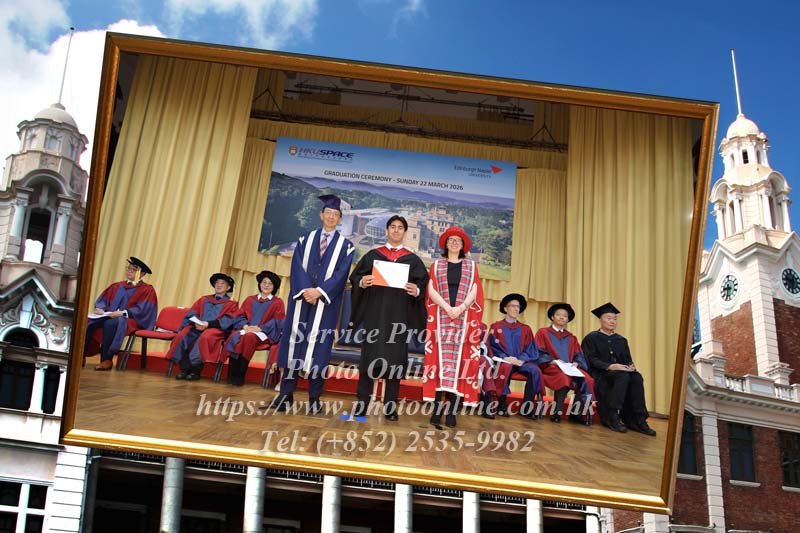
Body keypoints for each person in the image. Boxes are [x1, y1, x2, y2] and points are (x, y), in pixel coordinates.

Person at [270, 194, 355, 414]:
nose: (331, 217)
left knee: (320, 348)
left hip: (325, 304)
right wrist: (306, 290)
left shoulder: (346, 247)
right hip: (301, 300)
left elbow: (341, 274)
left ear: (340, 219)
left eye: (335, 214)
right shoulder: (304, 239)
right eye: (328, 213)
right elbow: (297, 266)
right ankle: (285, 394)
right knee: (293, 343)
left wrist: (319, 292)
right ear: (321, 215)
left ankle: (314, 398)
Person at [349, 215, 428, 420]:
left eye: (400, 227)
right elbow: (356, 278)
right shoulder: (373, 256)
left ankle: (390, 407)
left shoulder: (412, 260)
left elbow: (424, 285)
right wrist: (363, 281)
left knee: (395, 361)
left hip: (399, 318)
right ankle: (362, 404)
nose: (396, 230)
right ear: (386, 231)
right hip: (375, 316)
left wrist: (417, 290)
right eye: (392, 227)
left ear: (404, 232)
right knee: (369, 359)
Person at [423, 226, 483, 428]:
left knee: (459, 366)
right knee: (439, 365)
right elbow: (431, 289)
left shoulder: (471, 266)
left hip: (463, 320)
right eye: (451, 240)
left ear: (463, 245)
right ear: (445, 244)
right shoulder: (436, 266)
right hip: (441, 318)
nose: (454, 243)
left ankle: (452, 412)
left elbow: (474, 290)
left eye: (458, 240)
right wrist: (448, 308)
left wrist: (461, 308)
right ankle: (436, 410)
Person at [582, 302, 656, 436]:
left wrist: (630, 366)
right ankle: (612, 416)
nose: (612, 321)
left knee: (636, 377)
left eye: (615, 319)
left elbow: (627, 359)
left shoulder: (621, 340)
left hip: (621, 374)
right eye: (609, 318)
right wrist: (609, 366)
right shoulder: (591, 338)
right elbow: (590, 359)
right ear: (601, 320)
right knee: (623, 376)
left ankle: (638, 420)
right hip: (601, 374)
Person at [84, 257, 158, 371]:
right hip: (110, 315)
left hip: (132, 320)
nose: (129, 271)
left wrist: (123, 313)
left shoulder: (147, 290)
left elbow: (144, 310)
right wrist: (100, 309)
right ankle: (81, 355)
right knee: (89, 322)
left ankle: (106, 360)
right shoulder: (117, 286)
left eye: (133, 270)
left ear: (142, 274)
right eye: (128, 268)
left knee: (110, 324)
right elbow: (103, 301)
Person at [166, 273, 238, 381]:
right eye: (217, 283)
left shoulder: (231, 304)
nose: (219, 285)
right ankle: (184, 370)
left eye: (223, 283)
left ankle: (195, 371)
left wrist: (208, 324)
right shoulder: (204, 299)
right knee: (182, 336)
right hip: (197, 326)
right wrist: (196, 323)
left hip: (215, 329)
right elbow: (192, 312)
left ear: (228, 288)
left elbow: (228, 320)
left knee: (205, 337)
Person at [487, 293, 545, 419]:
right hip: (504, 361)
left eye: (518, 307)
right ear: (505, 308)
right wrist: (505, 357)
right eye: (512, 306)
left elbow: (530, 349)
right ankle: (502, 405)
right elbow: (492, 347)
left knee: (535, 371)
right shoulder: (496, 327)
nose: (516, 309)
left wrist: (521, 359)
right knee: (506, 367)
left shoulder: (525, 329)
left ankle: (526, 408)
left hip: (521, 361)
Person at [535, 303, 595, 424]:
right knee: (563, 377)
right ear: (552, 317)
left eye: (565, 316)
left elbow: (578, 354)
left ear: (567, 319)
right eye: (558, 315)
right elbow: (538, 351)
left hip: (569, 367)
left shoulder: (571, 337)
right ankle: (556, 412)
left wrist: (577, 363)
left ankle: (576, 414)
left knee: (587, 379)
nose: (562, 317)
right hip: (551, 366)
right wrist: (552, 361)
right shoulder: (543, 332)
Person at [225, 271, 286, 386]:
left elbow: (278, 321)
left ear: (274, 287)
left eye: (270, 283)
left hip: (264, 334)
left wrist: (260, 328)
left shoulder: (277, 302)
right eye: (264, 282)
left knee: (249, 337)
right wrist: (245, 325)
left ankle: (240, 374)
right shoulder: (250, 299)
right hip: (246, 329)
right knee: (235, 336)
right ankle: (232, 373)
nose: (266, 285)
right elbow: (240, 315)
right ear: (259, 284)